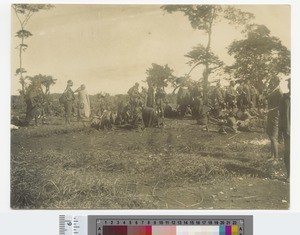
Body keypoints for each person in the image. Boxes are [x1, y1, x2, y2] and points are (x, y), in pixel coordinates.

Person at [266, 77, 282, 161]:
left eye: (271, 82)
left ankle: (276, 158)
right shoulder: (273, 91)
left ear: (276, 83)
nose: (270, 83)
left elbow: (281, 106)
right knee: (269, 134)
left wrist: (271, 110)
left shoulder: (279, 92)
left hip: (275, 116)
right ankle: (272, 156)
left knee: (273, 136)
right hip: (270, 115)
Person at [279, 78, 290, 181]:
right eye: (290, 84)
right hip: (288, 130)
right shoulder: (284, 99)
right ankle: (289, 174)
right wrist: (279, 132)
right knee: (288, 151)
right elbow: (281, 115)